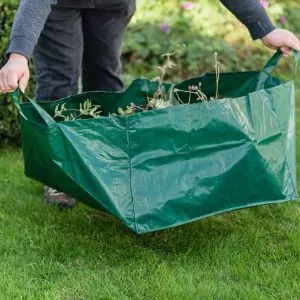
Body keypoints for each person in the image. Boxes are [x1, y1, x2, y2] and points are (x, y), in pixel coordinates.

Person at [0, 0, 299, 208]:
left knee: (104, 77)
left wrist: (264, 27)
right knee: (60, 79)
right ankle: (60, 177)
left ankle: (106, 167)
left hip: (113, 6)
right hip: (58, 7)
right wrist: (19, 54)